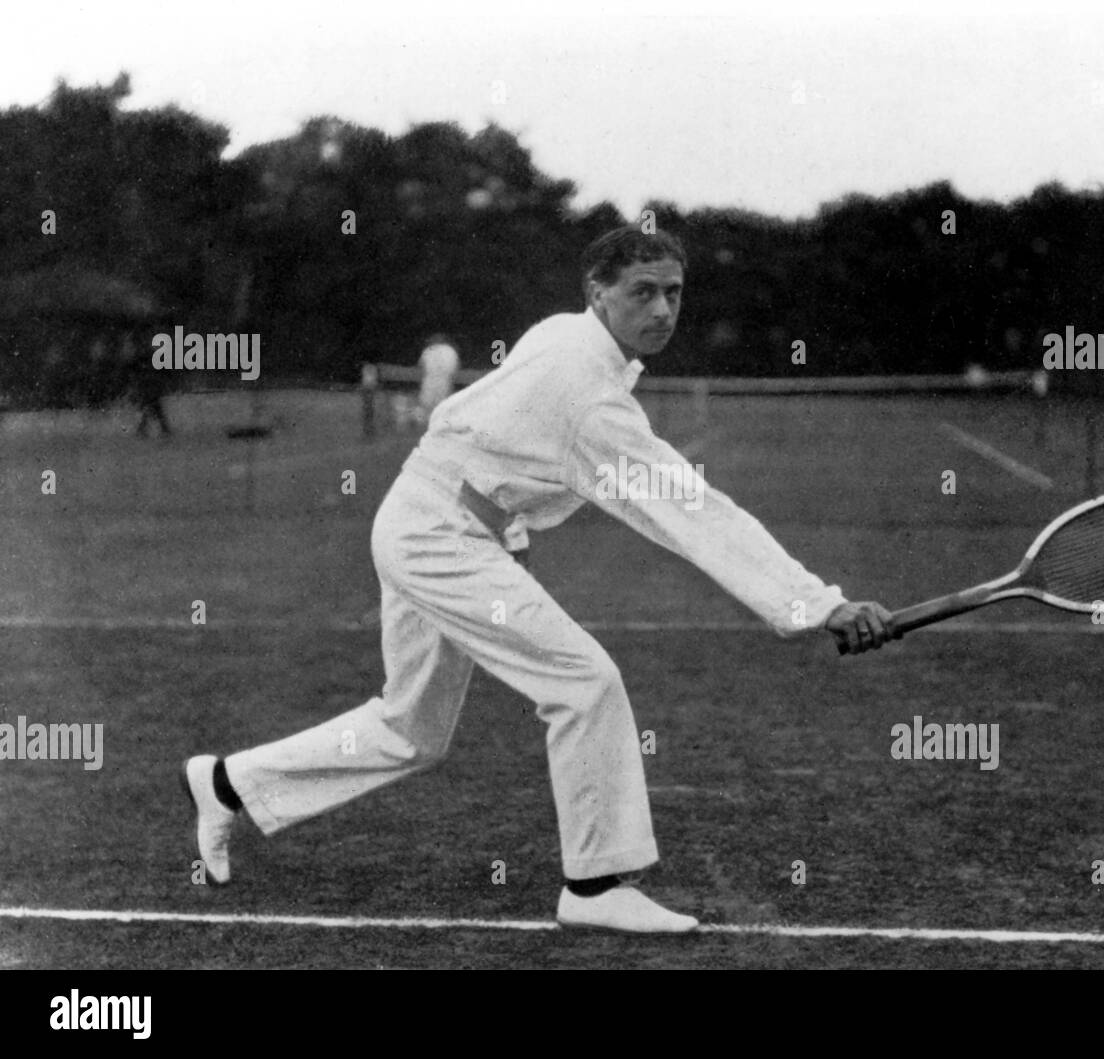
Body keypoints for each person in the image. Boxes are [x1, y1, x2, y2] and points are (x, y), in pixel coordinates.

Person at [183, 225, 898, 933]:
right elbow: (693, 512)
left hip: (426, 519)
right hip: (437, 537)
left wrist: (510, 535)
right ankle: (593, 884)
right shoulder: (589, 392)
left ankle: (226, 783)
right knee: (586, 683)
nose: (662, 310)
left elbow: (487, 431)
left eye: (674, 293)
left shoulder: (562, 334)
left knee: (412, 730)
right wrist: (820, 604)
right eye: (642, 292)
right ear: (599, 293)